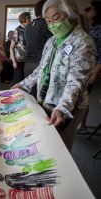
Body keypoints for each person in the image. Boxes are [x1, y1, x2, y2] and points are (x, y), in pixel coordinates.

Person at [11, 0, 96, 151]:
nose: (51, 25)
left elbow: (76, 81)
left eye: (55, 19)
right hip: (46, 100)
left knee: (60, 149)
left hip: (68, 105)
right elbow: (41, 70)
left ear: (71, 16)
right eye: (48, 21)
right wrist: (23, 85)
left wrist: (62, 108)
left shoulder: (83, 42)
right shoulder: (52, 41)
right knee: (44, 145)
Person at [78, 0, 101, 132]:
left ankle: (83, 125)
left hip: (92, 69)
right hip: (84, 67)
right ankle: (82, 124)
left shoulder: (99, 29)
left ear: (97, 12)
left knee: (82, 96)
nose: (86, 11)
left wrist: (95, 73)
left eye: (89, 9)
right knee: (80, 95)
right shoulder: (89, 28)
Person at [24, 0, 52, 78]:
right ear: (45, 10)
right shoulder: (47, 24)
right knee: (41, 90)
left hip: (27, 64)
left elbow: (24, 45)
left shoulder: (28, 26)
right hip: (40, 64)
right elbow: (55, 43)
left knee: (27, 89)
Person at [10, 12, 31, 85]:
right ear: (24, 19)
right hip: (19, 60)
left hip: (28, 60)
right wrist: (13, 61)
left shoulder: (30, 29)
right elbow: (11, 47)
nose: (30, 19)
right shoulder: (17, 30)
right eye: (29, 18)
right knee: (17, 81)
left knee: (25, 82)